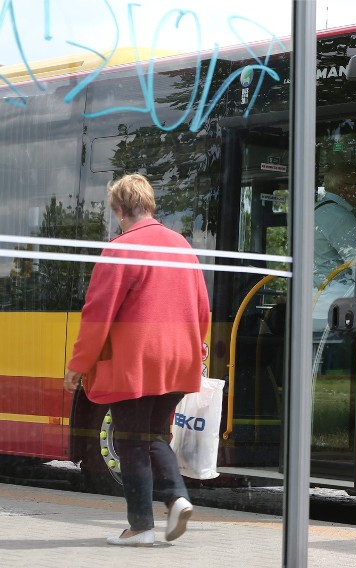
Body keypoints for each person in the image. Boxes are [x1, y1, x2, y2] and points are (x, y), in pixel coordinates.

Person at [63, 173, 210, 547]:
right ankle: (176, 498)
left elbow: (98, 313)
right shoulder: (181, 245)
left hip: (136, 362)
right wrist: (195, 347)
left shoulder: (120, 248)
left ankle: (140, 526)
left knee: (129, 440)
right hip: (179, 359)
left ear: (118, 209)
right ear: (149, 205)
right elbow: (202, 310)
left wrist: (78, 365)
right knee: (154, 435)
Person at [312, 164, 356, 333]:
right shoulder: (339, 217)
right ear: (344, 188)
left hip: (314, 305)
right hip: (336, 307)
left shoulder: (315, 211)